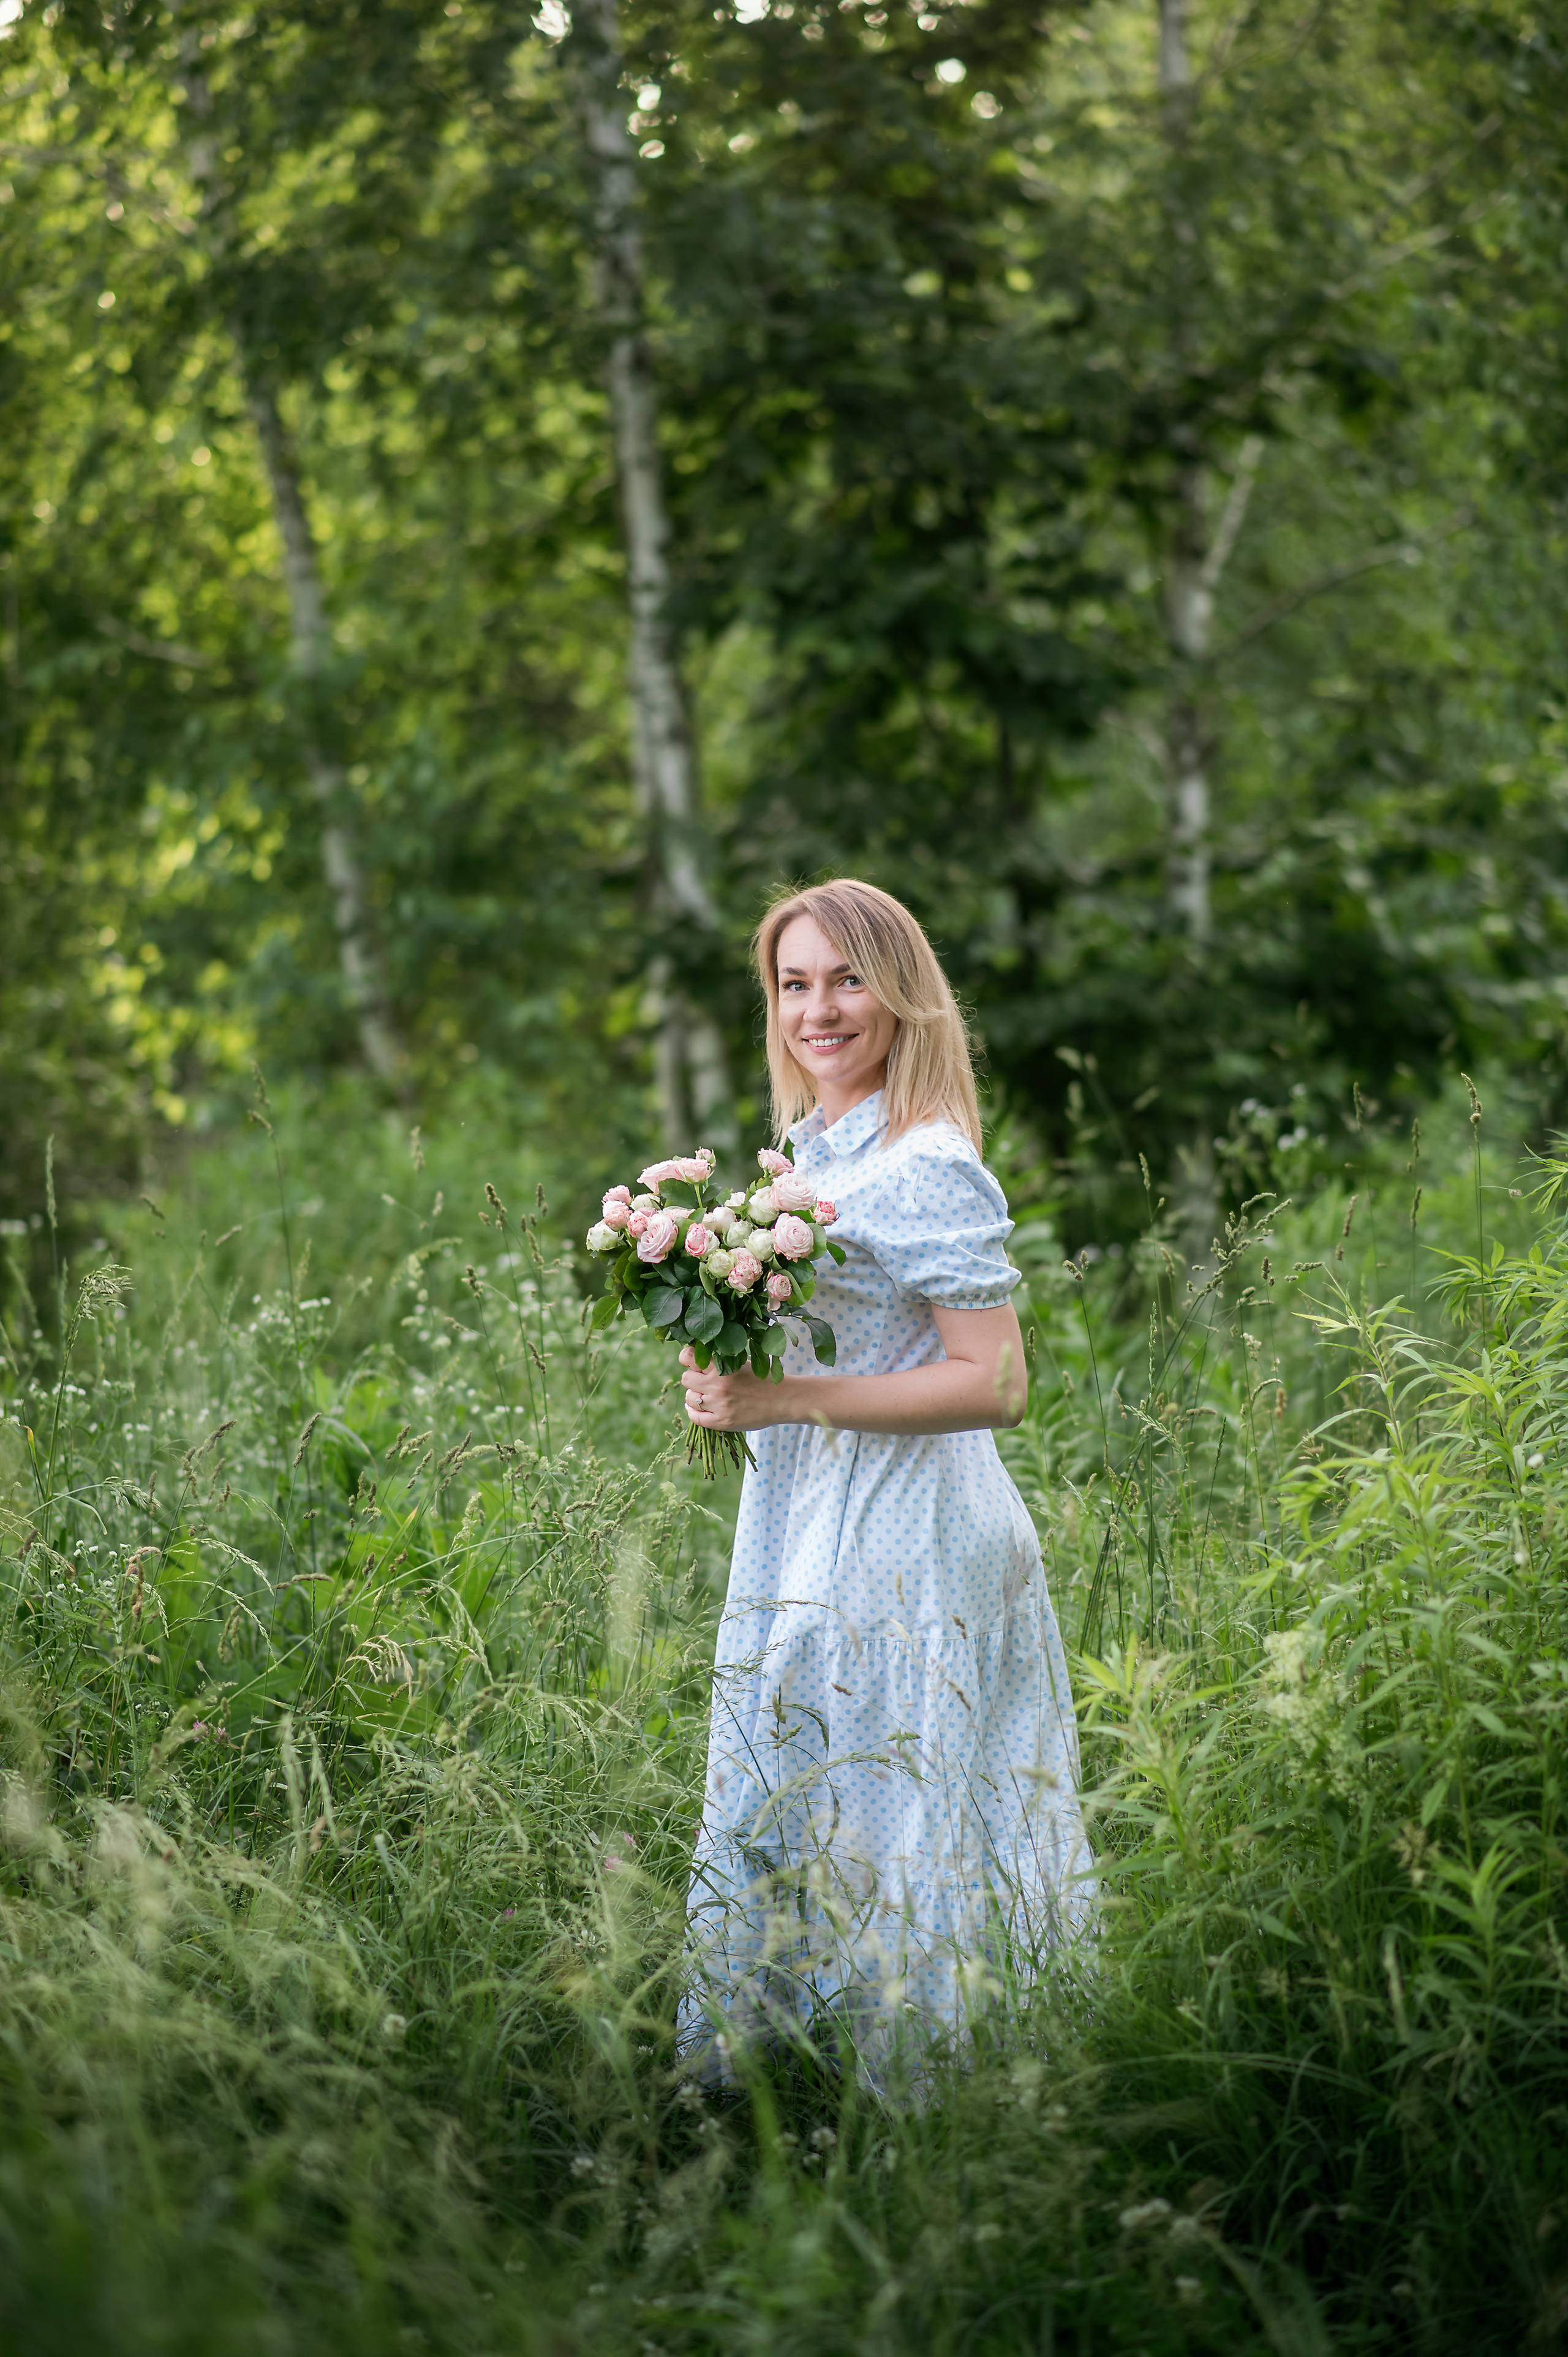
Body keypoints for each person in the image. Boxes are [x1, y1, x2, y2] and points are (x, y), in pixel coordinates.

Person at [676, 878, 1088, 2076]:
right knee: (799, 1786)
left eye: (847, 978)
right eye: (794, 983)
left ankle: (946, 2118)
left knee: (909, 1813)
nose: (819, 1008)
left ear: (901, 993)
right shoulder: (805, 1155)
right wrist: (724, 1379)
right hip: (807, 1521)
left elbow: (996, 1381)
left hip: (913, 1529)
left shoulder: (924, 1162)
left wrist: (784, 1398)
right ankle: (781, 2094)